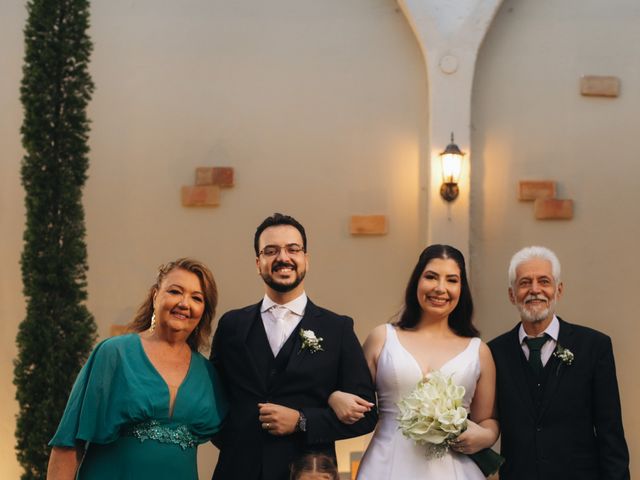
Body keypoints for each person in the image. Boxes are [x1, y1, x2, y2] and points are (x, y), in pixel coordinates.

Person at [210, 213, 377, 480]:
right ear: (258, 262)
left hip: (306, 472)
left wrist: (303, 421)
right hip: (238, 469)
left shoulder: (338, 329)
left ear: (305, 259)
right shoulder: (231, 325)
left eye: (293, 249)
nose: (283, 258)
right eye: (271, 251)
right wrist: (237, 440)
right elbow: (214, 399)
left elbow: (367, 416)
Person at [47, 258, 227, 480]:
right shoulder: (114, 354)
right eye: (175, 291)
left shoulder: (207, 373)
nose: (184, 303)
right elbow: (68, 442)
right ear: (155, 296)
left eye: (197, 298)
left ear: (204, 310)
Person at [329, 244, 499, 479]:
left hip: (455, 470)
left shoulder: (479, 351)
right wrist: (334, 396)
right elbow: (352, 395)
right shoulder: (382, 338)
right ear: (416, 281)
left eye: (452, 280)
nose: (440, 288)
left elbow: (486, 419)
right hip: (386, 466)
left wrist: (488, 435)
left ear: (462, 289)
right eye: (431, 277)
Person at [489, 246, 630, 480]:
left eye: (544, 281)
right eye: (525, 283)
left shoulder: (594, 346)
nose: (535, 290)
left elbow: (610, 433)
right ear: (512, 294)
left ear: (558, 290)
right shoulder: (494, 352)